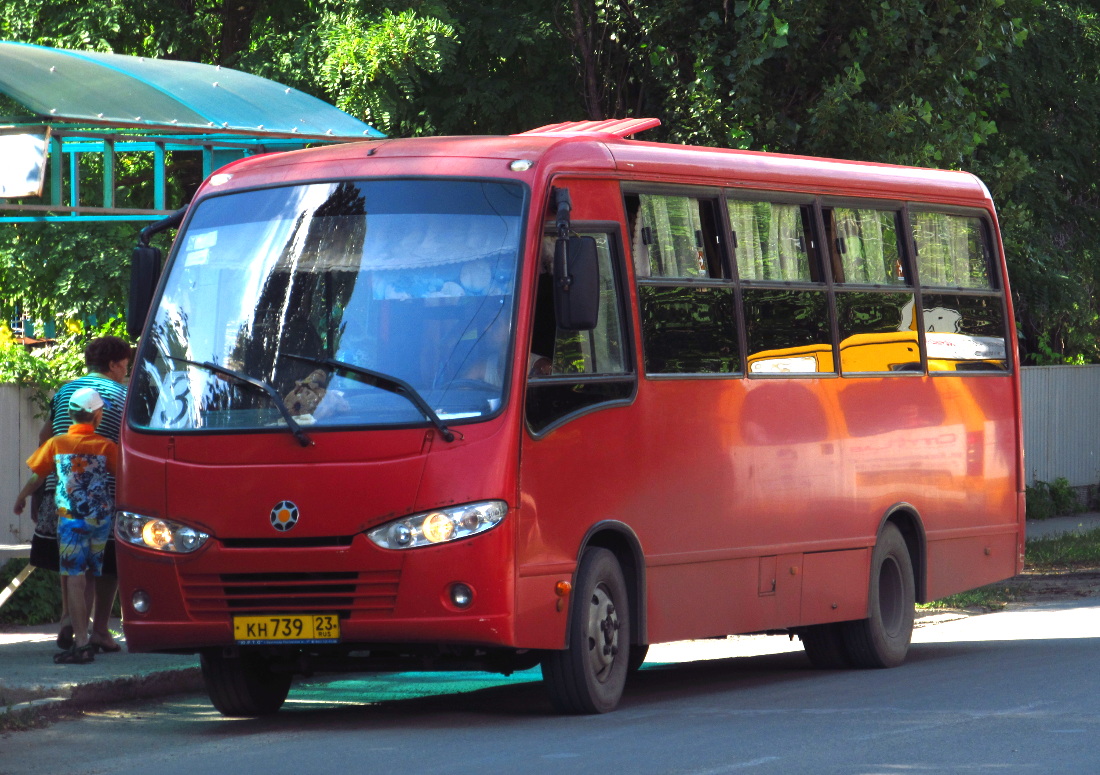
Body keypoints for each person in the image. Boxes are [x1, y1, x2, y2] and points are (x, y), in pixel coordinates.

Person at [29, 335, 129, 651]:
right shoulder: (124, 397)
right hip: (103, 497)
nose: (125, 371)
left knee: (70, 558)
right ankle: (99, 629)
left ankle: (68, 618)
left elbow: (45, 436)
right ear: (114, 364)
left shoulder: (64, 392)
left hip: (60, 492)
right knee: (106, 562)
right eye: (125, 365)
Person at [14, 387, 119, 664]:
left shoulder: (56, 444)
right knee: (91, 576)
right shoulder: (106, 446)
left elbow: (37, 477)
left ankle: (81, 641)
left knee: (74, 577)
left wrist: (22, 497)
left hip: (71, 521)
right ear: (97, 416)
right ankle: (84, 635)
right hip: (101, 521)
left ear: (71, 415)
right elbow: (127, 476)